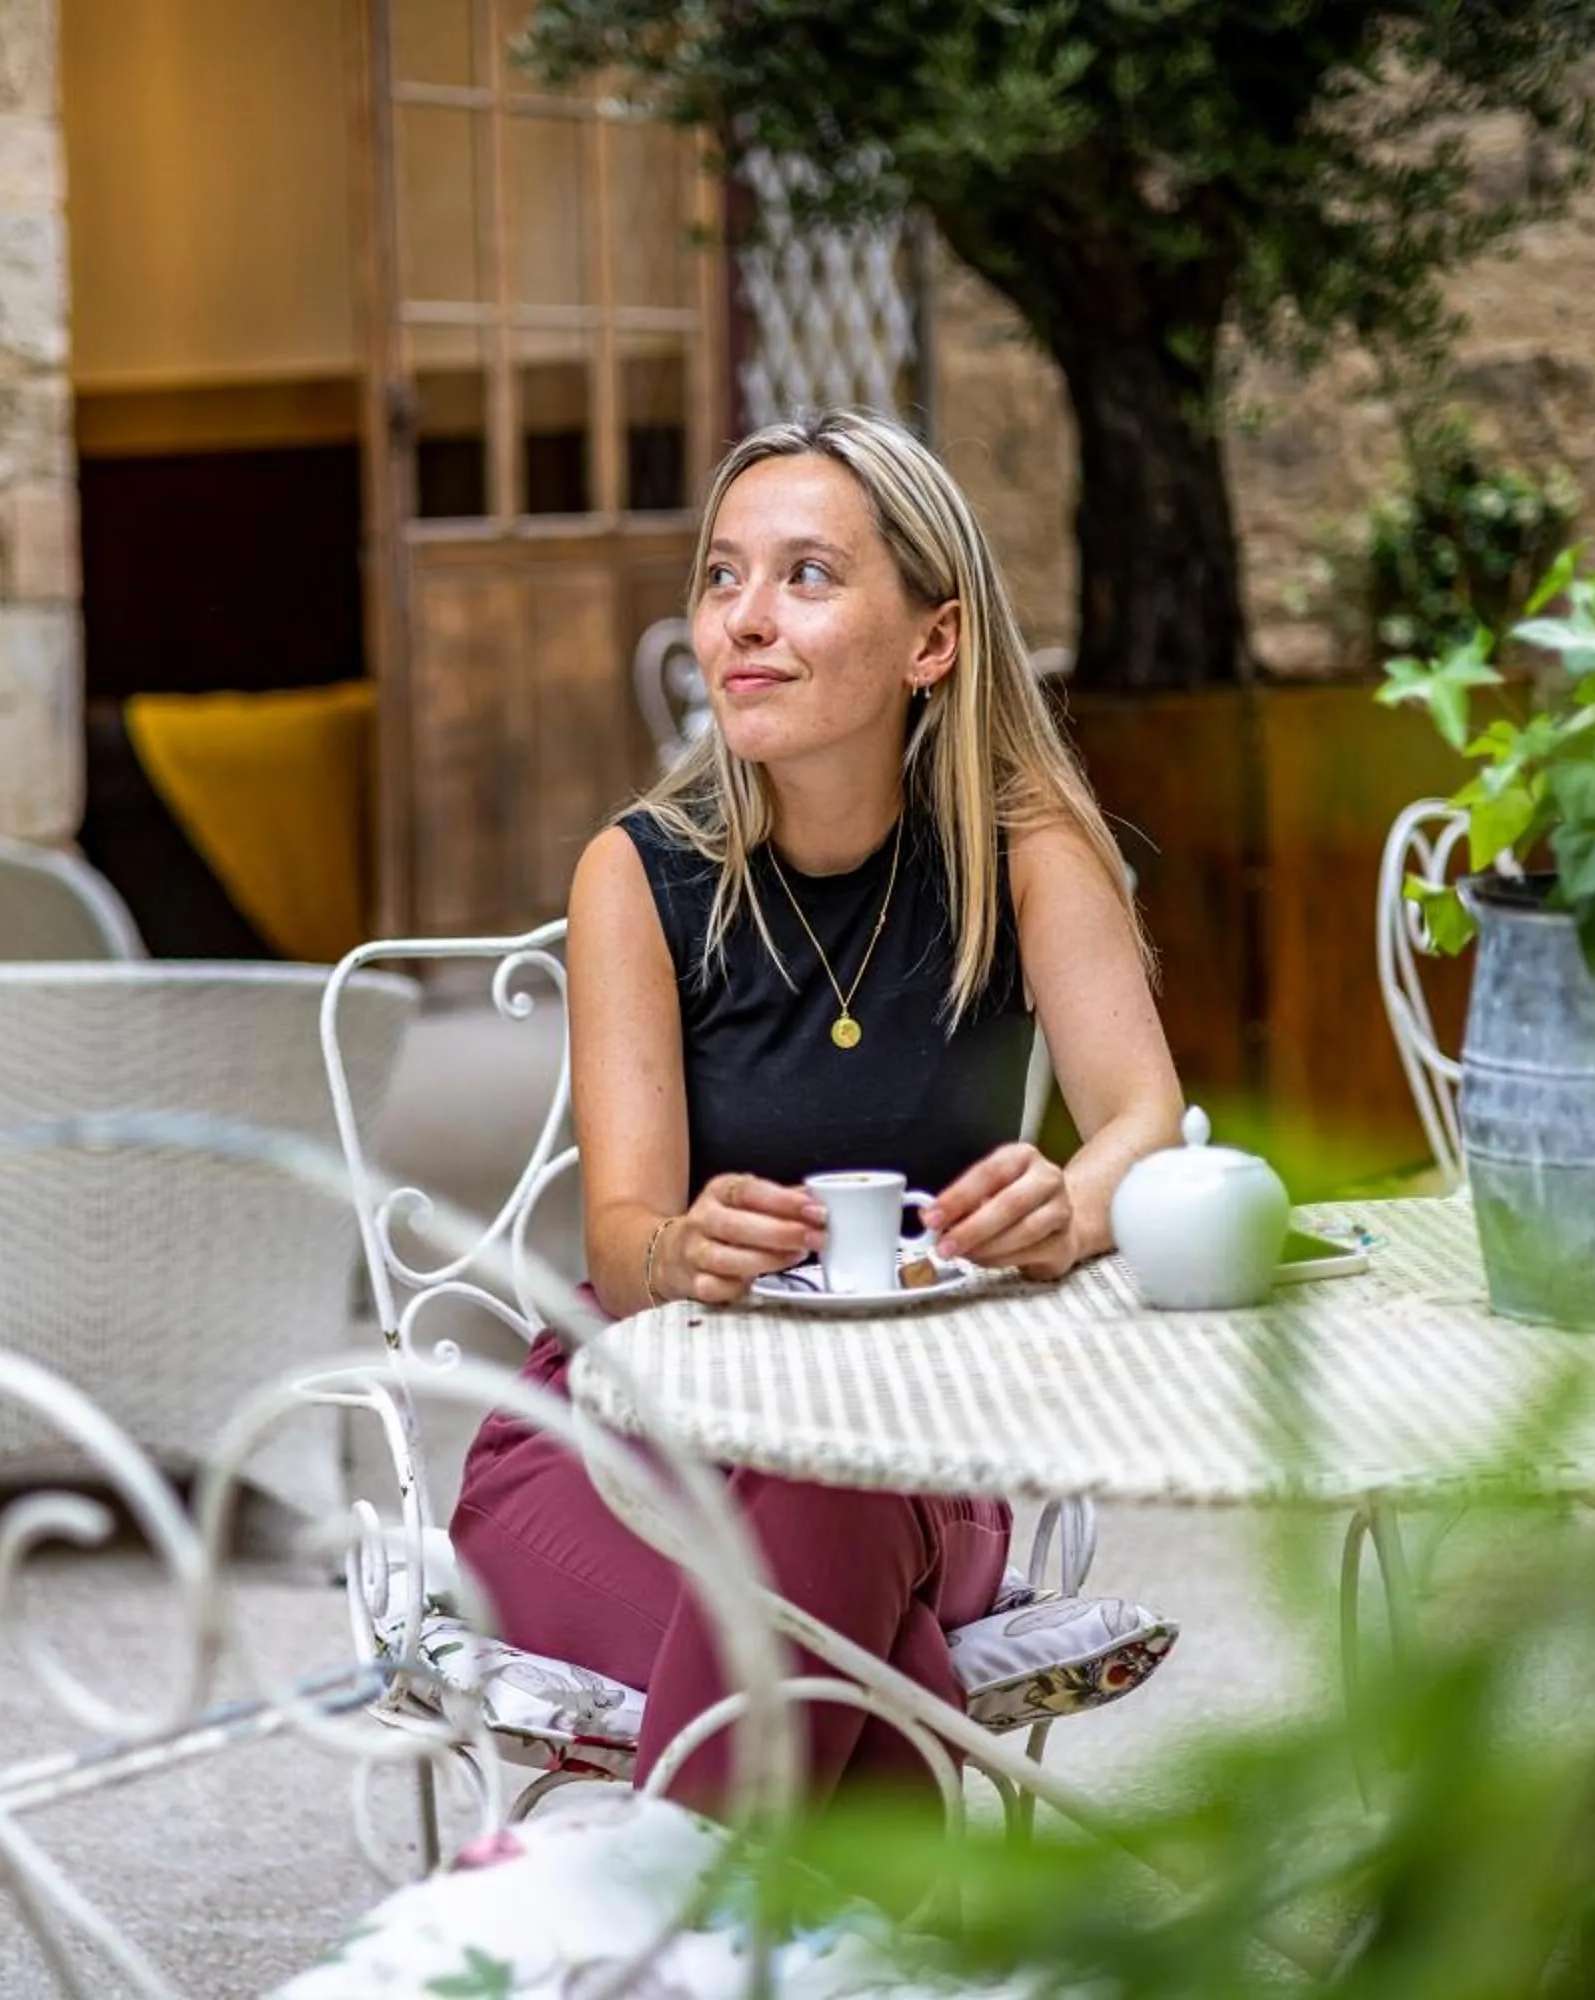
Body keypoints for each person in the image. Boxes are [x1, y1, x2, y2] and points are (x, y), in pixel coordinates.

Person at [448, 408, 1184, 1811]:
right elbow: (620, 1243)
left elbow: (1144, 1115)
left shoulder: (1029, 850)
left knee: (822, 1522)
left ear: (934, 641)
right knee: (846, 1670)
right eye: (722, 577)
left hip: (903, 1455)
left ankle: (666, 1932)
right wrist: (683, 1249)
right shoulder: (639, 876)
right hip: (617, 1443)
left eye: (807, 576)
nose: (744, 621)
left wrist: (1069, 1208)